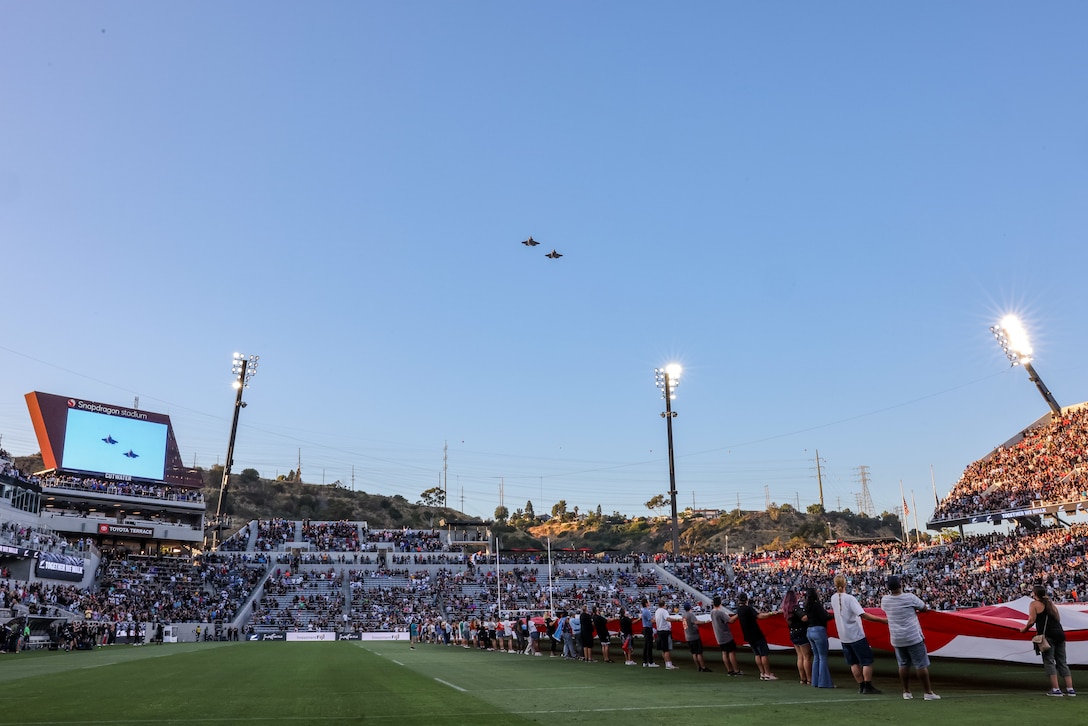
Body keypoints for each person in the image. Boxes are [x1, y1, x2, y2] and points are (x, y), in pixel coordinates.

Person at [881, 575, 939, 700]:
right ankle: (928, 693)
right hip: (913, 636)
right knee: (921, 665)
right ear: (900, 585)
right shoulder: (909, 597)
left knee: (903, 665)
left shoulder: (885, 600)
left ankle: (906, 692)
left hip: (897, 637)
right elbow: (923, 608)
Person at [832, 574, 886, 694]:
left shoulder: (833, 598)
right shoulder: (849, 599)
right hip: (855, 634)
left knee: (853, 662)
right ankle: (868, 685)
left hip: (844, 636)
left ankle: (861, 685)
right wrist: (882, 620)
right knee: (866, 661)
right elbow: (863, 614)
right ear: (845, 584)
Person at [1018, 584, 1076, 697]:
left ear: (1035, 594)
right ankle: (1070, 689)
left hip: (1047, 636)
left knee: (1049, 661)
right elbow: (1058, 619)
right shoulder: (1051, 604)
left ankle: (1056, 689)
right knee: (1062, 661)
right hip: (1059, 634)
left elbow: (1031, 620)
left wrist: (1023, 630)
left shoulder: (1034, 604)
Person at [735, 592, 779, 680]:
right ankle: (767, 673)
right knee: (763, 654)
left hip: (748, 635)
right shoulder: (748, 609)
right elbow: (759, 616)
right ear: (746, 600)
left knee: (757, 654)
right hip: (756, 633)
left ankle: (762, 673)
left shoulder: (739, 610)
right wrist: (771, 613)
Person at [782, 590, 812, 684]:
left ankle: (802, 678)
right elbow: (804, 618)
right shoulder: (796, 608)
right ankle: (809, 679)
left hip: (793, 633)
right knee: (806, 656)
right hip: (801, 632)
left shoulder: (786, 609)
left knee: (800, 656)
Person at [709, 595, 741, 676]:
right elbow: (730, 621)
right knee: (731, 653)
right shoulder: (720, 612)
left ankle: (729, 670)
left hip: (719, 636)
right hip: (726, 635)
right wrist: (738, 614)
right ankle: (736, 670)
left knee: (724, 653)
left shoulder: (712, 612)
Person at [681, 602, 710, 672]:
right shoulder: (690, 615)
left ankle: (698, 667)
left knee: (694, 653)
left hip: (687, 636)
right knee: (699, 653)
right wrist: (705, 622)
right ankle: (703, 667)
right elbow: (696, 622)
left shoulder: (683, 615)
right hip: (694, 636)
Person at [654, 599, 681, 669]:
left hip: (659, 630)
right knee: (667, 649)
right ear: (664, 605)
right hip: (665, 631)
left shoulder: (657, 611)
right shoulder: (664, 611)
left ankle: (667, 663)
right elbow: (667, 618)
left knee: (663, 649)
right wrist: (677, 620)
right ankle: (669, 664)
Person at [640, 597, 657, 667]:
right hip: (648, 628)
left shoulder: (644, 610)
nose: (649, 602)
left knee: (646, 645)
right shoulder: (646, 611)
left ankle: (645, 661)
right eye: (648, 602)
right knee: (649, 645)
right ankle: (650, 662)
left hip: (646, 628)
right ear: (646, 603)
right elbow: (651, 620)